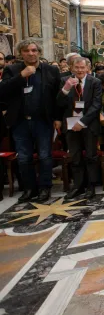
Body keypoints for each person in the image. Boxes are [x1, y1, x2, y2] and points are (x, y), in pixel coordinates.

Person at [0, 40, 61, 202]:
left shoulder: (51, 70)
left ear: (39, 52)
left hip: (43, 121)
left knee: (44, 156)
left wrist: (57, 118)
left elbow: (57, 97)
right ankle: (29, 188)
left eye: (34, 50)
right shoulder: (11, 70)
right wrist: (21, 76)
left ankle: (44, 188)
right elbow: (3, 91)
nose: (31, 53)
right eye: (26, 50)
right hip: (20, 121)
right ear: (21, 53)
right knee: (24, 157)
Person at [57, 57, 103, 200]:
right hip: (70, 125)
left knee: (91, 156)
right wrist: (66, 89)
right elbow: (58, 102)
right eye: (76, 67)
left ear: (88, 69)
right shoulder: (65, 81)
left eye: (82, 67)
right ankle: (78, 185)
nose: (79, 70)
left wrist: (82, 122)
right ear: (71, 68)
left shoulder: (95, 82)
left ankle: (91, 186)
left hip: (88, 124)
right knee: (75, 156)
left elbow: (96, 105)